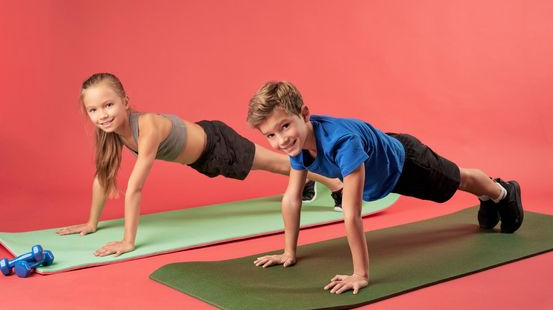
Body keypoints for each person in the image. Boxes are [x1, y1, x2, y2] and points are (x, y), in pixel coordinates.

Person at [247, 81, 523, 295]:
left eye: (284, 126)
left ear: (304, 114)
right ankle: (489, 197)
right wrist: (288, 252)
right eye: (270, 134)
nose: (281, 140)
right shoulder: (297, 147)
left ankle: (502, 193)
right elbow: (292, 199)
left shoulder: (342, 143)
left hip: (408, 164)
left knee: (456, 181)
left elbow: (352, 214)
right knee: (454, 183)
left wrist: (360, 275)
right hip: (384, 165)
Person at [56, 73, 342, 257]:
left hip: (218, 146)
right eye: (93, 110)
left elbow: (135, 188)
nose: (102, 115)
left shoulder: (147, 125)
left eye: (109, 105)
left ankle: (335, 185)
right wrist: (92, 223)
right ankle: (308, 182)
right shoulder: (114, 133)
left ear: (125, 102)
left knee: (281, 165)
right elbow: (102, 177)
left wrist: (128, 241)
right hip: (204, 157)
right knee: (281, 165)